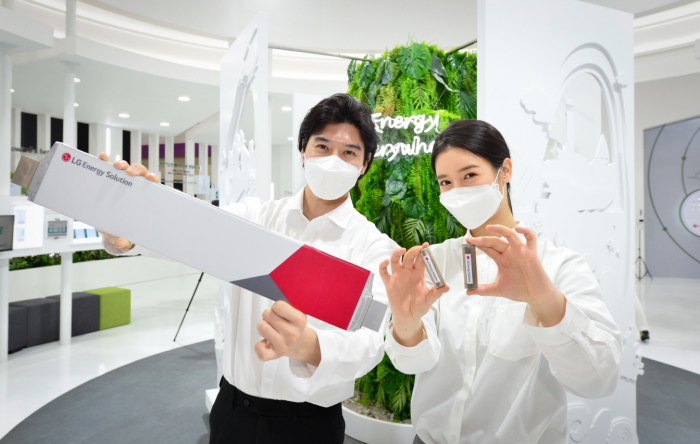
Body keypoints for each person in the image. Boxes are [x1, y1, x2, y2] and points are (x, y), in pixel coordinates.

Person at [97, 93, 399, 444]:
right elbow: (194, 235)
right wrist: (130, 228)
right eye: (322, 146)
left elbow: (369, 343)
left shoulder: (374, 248)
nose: (334, 160)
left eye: (349, 152)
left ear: (365, 164)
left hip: (309, 426)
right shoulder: (256, 218)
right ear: (303, 150)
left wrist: (309, 346)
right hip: (233, 414)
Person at [379, 120, 621, 444]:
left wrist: (544, 300)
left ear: (504, 171)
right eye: (446, 182)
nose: (457, 191)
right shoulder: (436, 262)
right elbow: (415, 363)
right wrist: (406, 322)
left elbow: (598, 380)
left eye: (469, 175)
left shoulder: (558, 266)